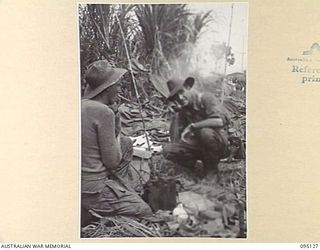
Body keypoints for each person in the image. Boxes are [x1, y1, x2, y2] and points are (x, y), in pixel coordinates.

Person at [81, 60, 152, 225]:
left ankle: (118, 190)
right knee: (145, 210)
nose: (120, 90)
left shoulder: (82, 105)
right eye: (118, 85)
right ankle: (100, 207)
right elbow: (112, 162)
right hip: (92, 189)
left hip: (78, 180)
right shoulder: (104, 112)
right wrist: (117, 126)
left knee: (126, 143)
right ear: (108, 87)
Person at [163, 77, 230, 179]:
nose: (180, 98)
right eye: (176, 97)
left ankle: (211, 172)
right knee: (168, 150)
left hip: (218, 145)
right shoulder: (183, 110)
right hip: (199, 147)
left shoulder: (206, 98)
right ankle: (190, 170)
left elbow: (219, 121)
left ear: (189, 87)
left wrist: (193, 127)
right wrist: (175, 115)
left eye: (181, 92)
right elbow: (176, 140)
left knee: (205, 132)